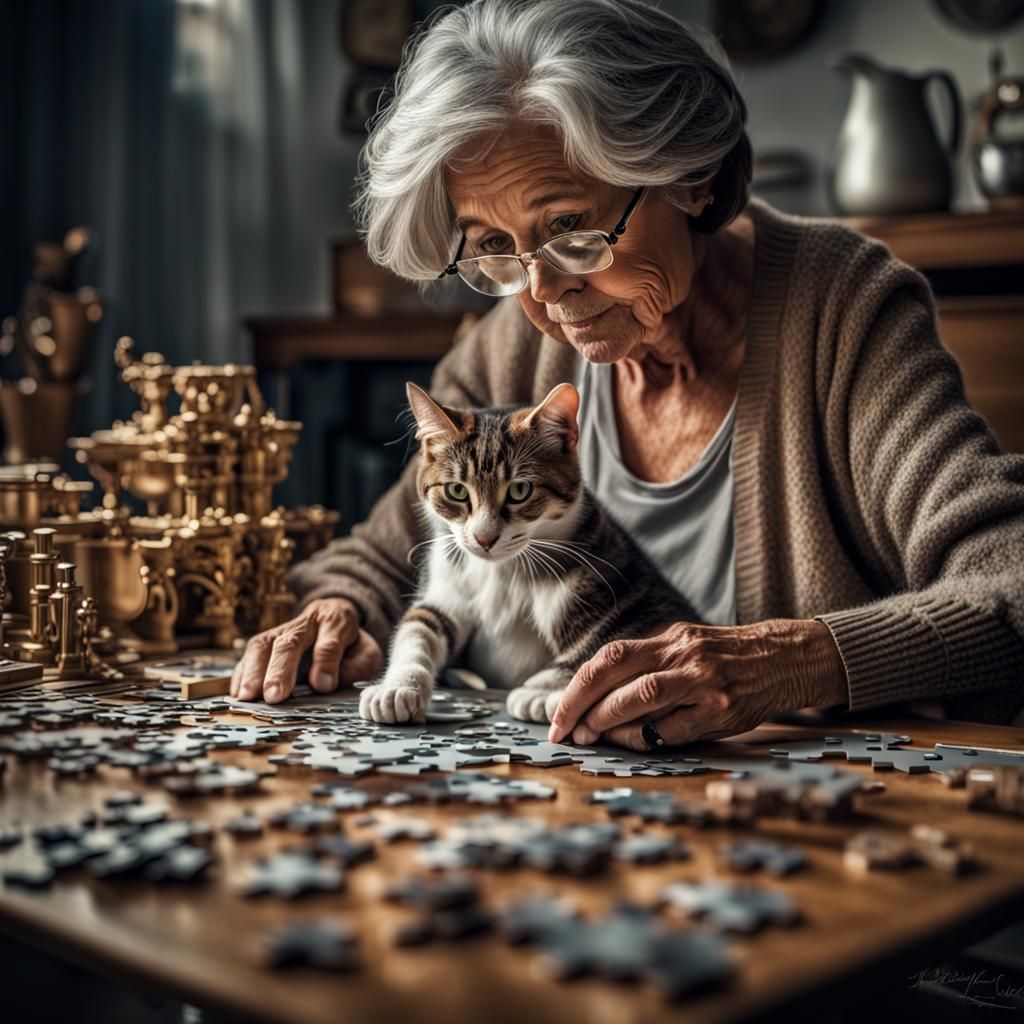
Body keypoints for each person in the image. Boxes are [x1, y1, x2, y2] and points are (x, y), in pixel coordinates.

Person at [231, 0, 1024, 748]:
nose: (540, 292)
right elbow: (379, 551)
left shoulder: (843, 310)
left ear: (693, 178)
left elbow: (1009, 584)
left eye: (571, 229)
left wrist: (786, 661)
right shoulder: (514, 344)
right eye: (494, 249)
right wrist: (334, 611)